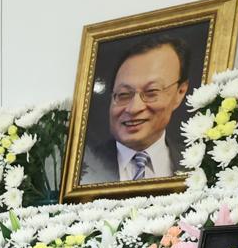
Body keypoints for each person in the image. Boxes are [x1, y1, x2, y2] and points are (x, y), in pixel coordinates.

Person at [80, 36, 192, 184]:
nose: (133, 108)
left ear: (180, 92)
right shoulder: (82, 168)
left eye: (151, 92)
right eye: (123, 94)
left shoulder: (198, 165)